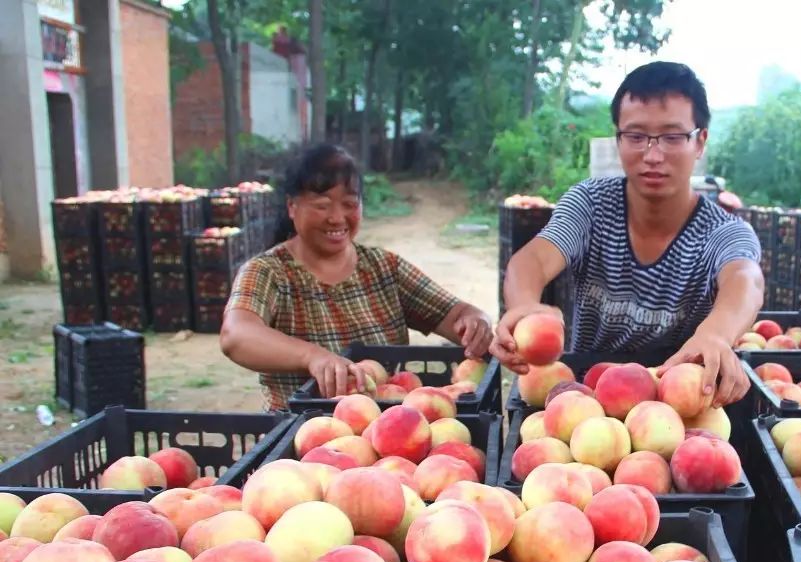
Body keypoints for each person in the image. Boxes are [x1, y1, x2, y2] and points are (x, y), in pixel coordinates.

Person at [490, 61, 765, 408]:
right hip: (583, 402)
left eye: (672, 137)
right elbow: (532, 259)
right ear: (618, 139)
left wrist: (716, 334)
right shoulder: (590, 205)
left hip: (677, 407)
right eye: (636, 137)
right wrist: (526, 307)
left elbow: (746, 279)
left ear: (700, 142)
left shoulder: (722, 232)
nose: (652, 155)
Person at [220, 144, 493, 411]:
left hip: (388, 430)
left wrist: (475, 320)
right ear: (292, 207)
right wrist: (312, 357)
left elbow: (455, 314)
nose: (337, 218)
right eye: (322, 205)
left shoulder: (384, 268)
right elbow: (236, 335)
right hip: (301, 435)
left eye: (350, 204)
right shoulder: (269, 271)